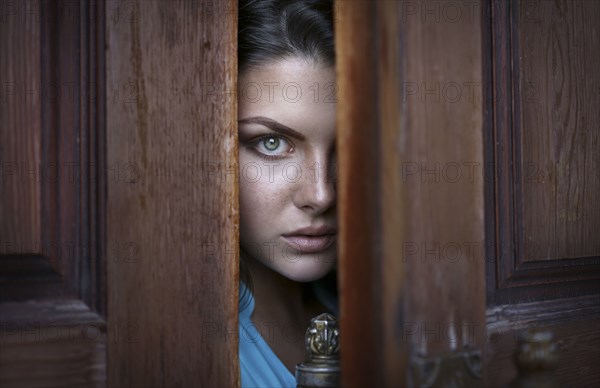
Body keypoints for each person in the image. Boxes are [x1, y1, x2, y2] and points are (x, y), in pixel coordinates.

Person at [237, 0, 337, 386]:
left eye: (349, 149)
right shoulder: (186, 346)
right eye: (273, 143)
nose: (321, 194)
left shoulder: (374, 315)